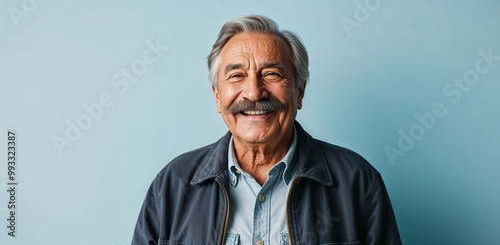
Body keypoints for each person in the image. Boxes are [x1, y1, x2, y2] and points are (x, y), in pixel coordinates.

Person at [132, 15, 402, 245]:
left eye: (272, 74)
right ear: (216, 96)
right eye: (236, 76)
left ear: (299, 92)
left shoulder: (358, 181)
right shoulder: (172, 185)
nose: (254, 93)